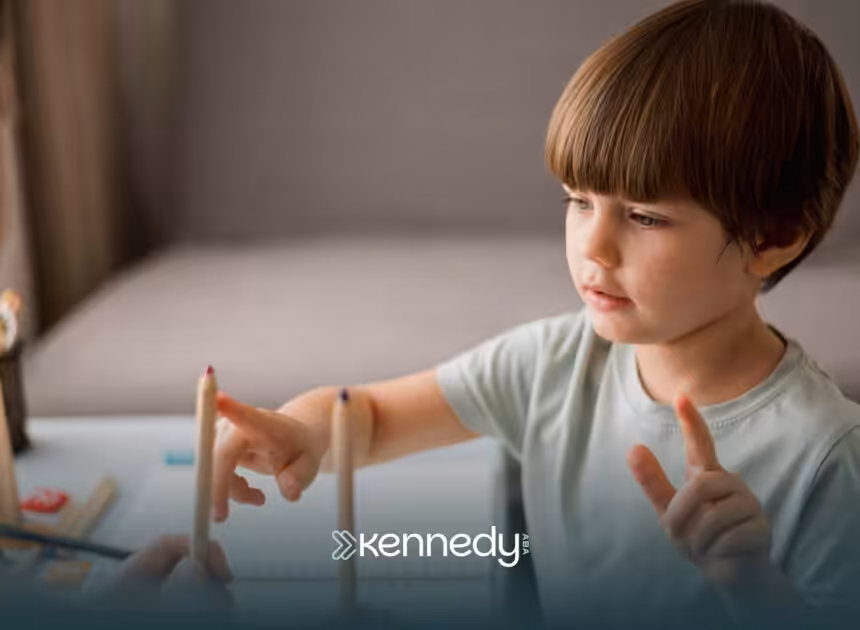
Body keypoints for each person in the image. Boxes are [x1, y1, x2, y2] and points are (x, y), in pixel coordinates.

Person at [211, 1, 860, 628]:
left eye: (644, 216)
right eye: (578, 202)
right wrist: (302, 430)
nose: (593, 247)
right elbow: (374, 420)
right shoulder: (552, 364)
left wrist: (754, 588)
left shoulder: (827, 455)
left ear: (774, 237)